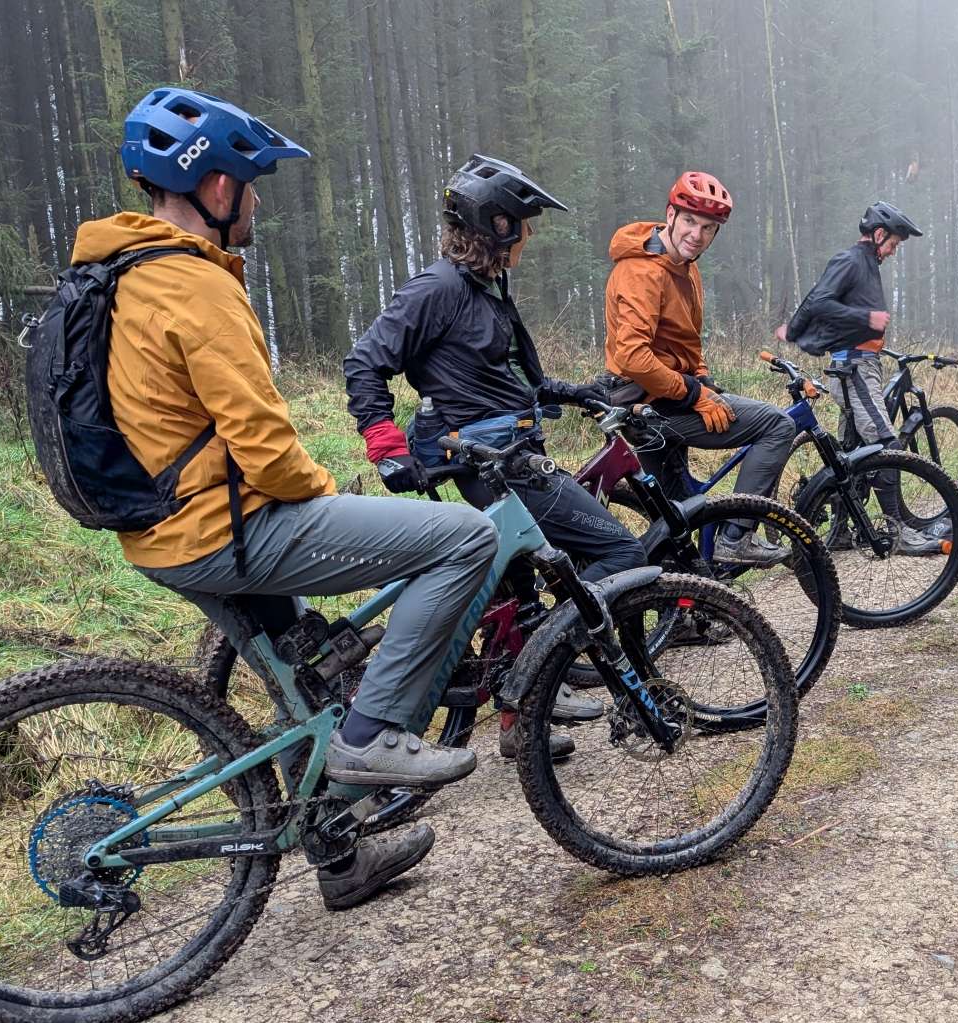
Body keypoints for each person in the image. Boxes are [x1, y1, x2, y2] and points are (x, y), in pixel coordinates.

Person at [95, 87, 494, 910]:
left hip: (161, 530)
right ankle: (372, 737)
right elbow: (265, 448)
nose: (256, 203)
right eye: (251, 184)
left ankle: (341, 859)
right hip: (222, 527)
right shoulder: (195, 285)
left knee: (300, 683)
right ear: (216, 187)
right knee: (464, 538)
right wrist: (325, 492)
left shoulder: (124, 270)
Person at [344, 155, 642, 759]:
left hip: (512, 451)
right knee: (620, 553)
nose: (528, 236)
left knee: (520, 590)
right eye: (523, 225)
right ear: (497, 225)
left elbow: (506, 380)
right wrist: (387, 447)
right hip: (490, 463)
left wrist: (573, 392)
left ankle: (521, 715)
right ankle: (543, 674)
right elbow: (365, 363)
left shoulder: (485, 290)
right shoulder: (438, 289)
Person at [601, 172, 796, 566]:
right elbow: (633, 356)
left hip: (662, 398)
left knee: (678, 521)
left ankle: (681, 598)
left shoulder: (685, 267)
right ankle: (736, 537)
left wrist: (703, 380)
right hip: (648, 403)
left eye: (709, 228)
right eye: (690, 221)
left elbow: (687, 342)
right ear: (670, 215)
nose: (697, 234)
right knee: (777, 425)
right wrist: (695, 394)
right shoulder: (642, 272)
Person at [777, 201, 941, 555]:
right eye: (894, 243)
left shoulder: (864, 263)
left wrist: (793, 330)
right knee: (887, 447)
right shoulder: (852, 260)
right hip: (855, 368)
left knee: (850, 454)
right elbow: (820, 301)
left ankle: (838, 531)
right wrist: (867, 319)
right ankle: (898, 531)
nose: (894, 251)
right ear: (879, 234)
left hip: (857, 364)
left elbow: (817, 299)